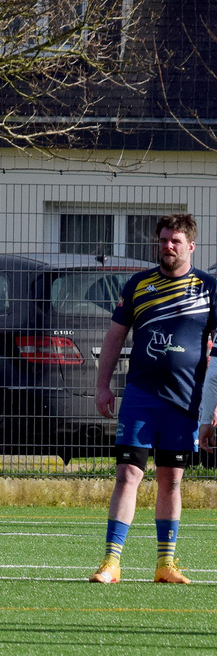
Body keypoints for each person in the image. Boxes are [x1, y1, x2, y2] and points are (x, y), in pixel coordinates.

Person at [90, 214, 214, 585]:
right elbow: (114, 337)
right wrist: (102, 385)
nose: (167, 247)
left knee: (171, 479)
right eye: (162, 240)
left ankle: (166, 564)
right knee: (128, 474)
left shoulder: (209, 288)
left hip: (185, 400)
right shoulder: (139, 284)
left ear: (191, 246)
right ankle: (111, 561)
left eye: (175, 241)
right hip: (141, 396)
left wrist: (215, 405)